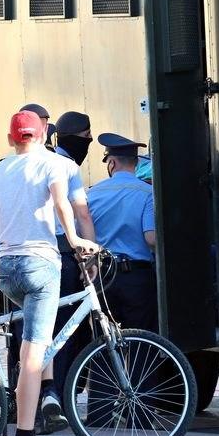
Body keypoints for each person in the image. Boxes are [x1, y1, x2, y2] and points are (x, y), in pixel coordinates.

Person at [0, 111, 100, 436]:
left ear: (11, 137)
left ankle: (47, 391)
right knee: (32, 357)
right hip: (41, 265)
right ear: (44, 132)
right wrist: (78, 240)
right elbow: (64, 204)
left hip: (8, 269)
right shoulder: (52, 164)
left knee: (38, 336)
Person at [44, 110, 98, 428]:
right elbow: (82, 216)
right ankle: (58, 402)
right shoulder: (66, 167)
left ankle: (26, 405)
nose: (88, 143)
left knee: (32, 335)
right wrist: (89, 256)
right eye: (86, 138)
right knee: (63, 332)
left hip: (17, 257)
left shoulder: (12, 166)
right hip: (60, 256)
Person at [88, 133, 158, 332]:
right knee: (141, 337)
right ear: (135, 163)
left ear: (111, 162)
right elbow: (151, 238)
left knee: (103, 339)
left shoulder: (92, 193)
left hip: (103, 275)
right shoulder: (147, 193)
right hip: (137, 277)